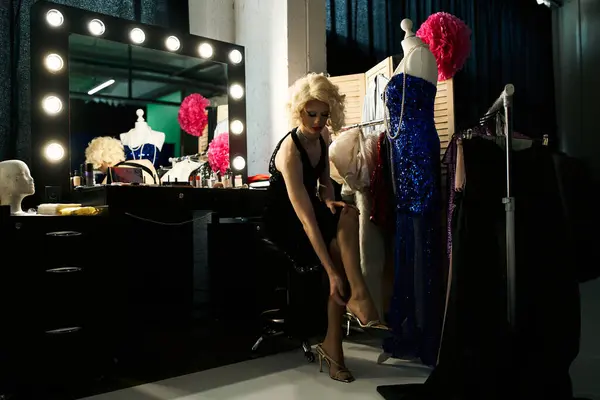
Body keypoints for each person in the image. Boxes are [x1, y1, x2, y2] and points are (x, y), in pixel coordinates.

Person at [263, 73, 387, 383]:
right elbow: (303, 218)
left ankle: (346, 320)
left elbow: (324, 188)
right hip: (285, 222)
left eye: (324, 114)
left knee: (347, 211)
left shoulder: (324, 137)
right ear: (298, 111)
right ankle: (339, 337)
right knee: (336, 261)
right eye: (311, 114)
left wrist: (331, 201)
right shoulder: (289, 152)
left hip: (311, 212)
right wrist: (330, 272)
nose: (318, 121)